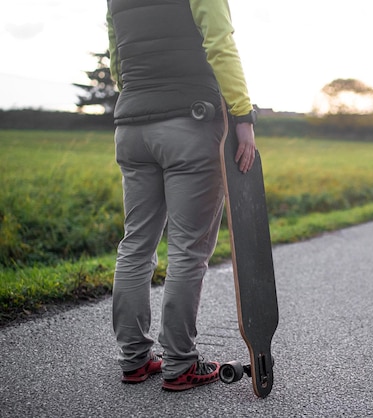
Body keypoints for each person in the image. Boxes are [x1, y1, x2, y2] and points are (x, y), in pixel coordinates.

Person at [106, 0, 257, 391]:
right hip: (189, 121)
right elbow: (220, 44)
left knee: (136, 243)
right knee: (188, 249)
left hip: (131, 124)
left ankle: (134, 360)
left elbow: (115, 53)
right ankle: (179, 362)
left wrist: (138, 99)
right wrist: (243, 116)